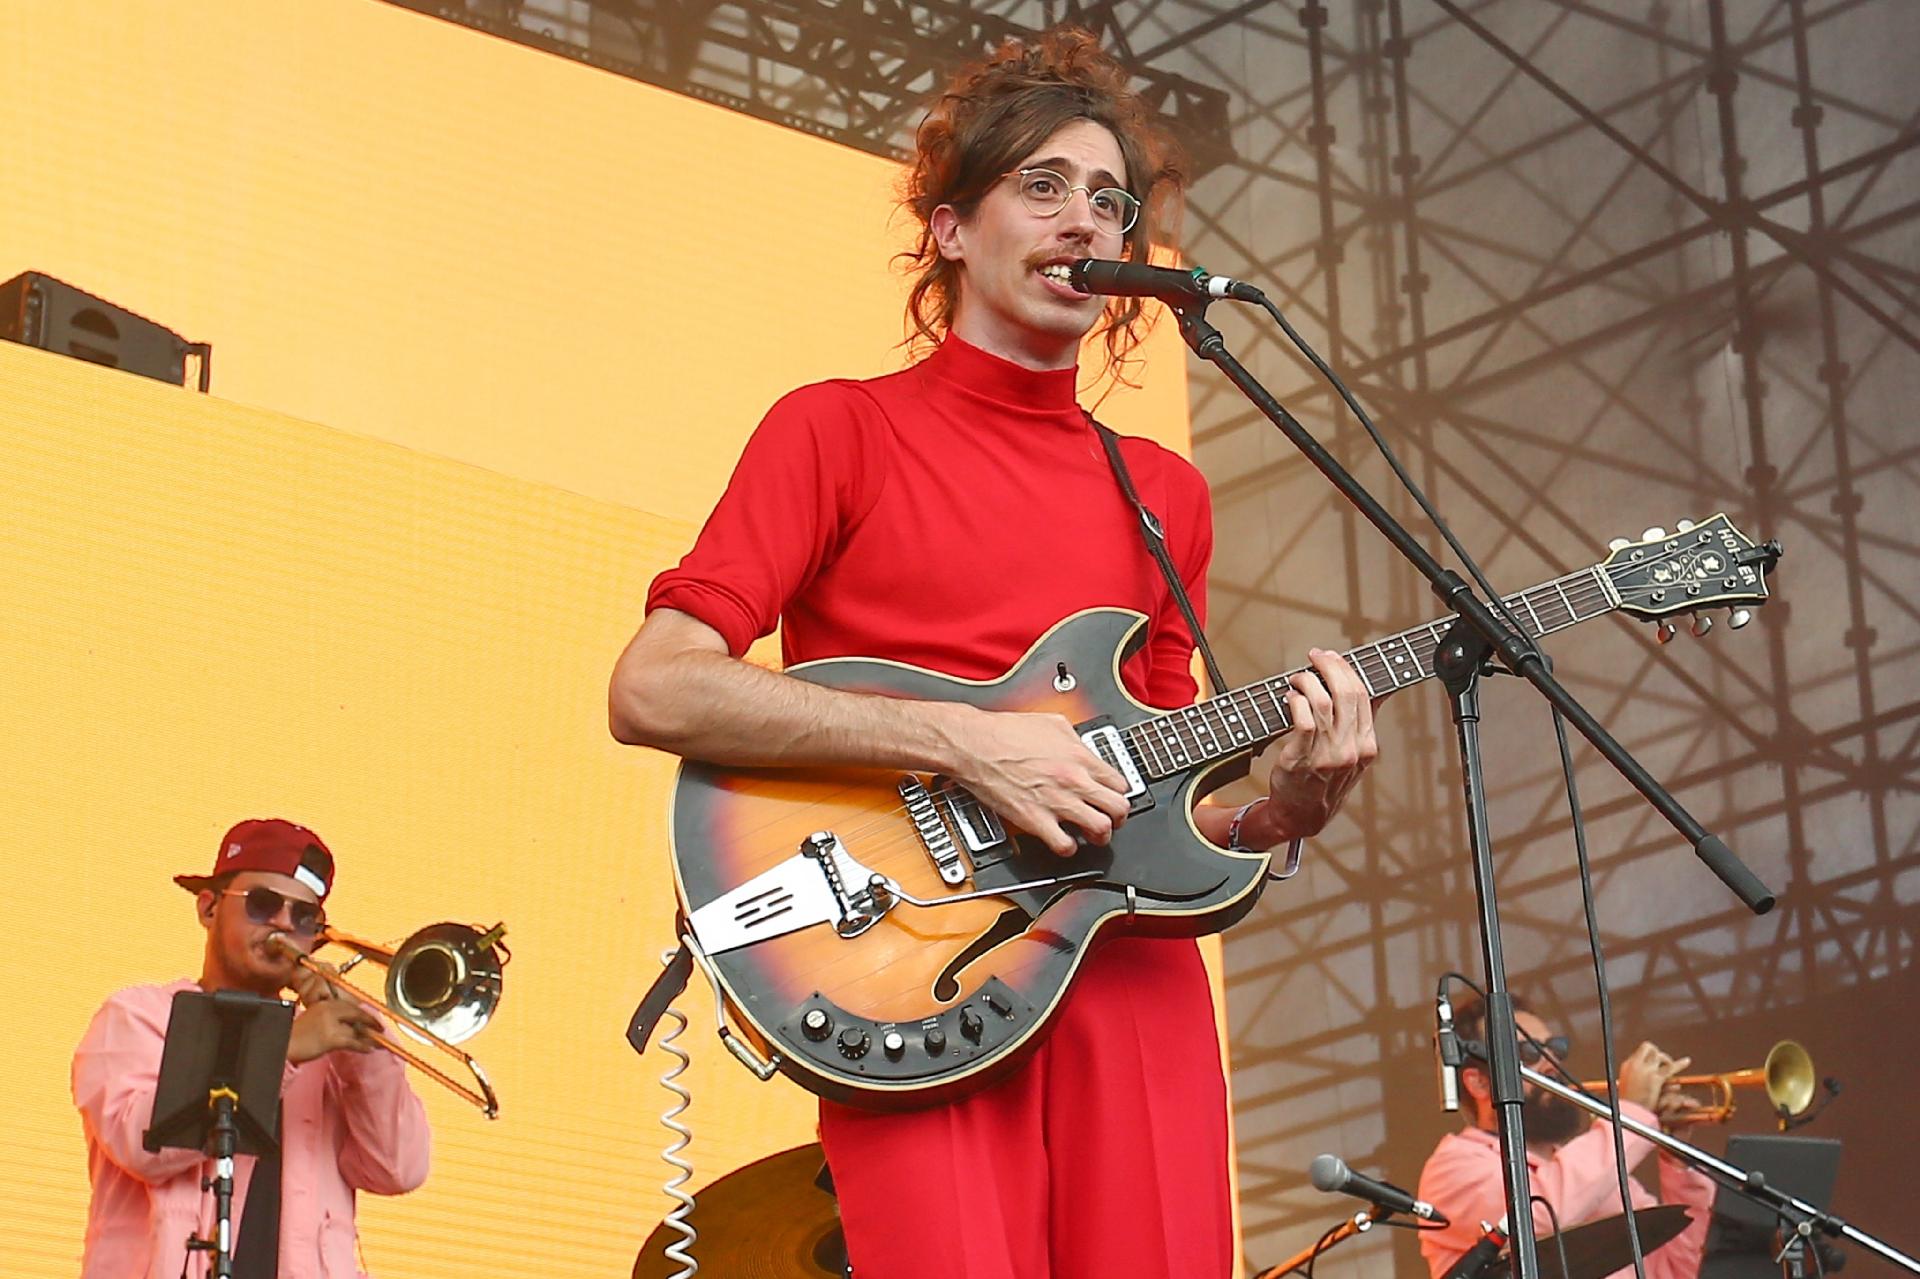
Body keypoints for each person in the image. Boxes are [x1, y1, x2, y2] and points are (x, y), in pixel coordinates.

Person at [608, 28, 1379, 1279]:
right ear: (952, 228)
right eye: (1043, 185)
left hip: (1126, 992)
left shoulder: (1164, 494)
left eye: (1111, 202)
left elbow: (1169, 812)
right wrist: (966, 744)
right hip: (924, 964)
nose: (1086, 219)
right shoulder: (837, 431)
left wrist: (1284, 810)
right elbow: (655, 684)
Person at [72, 819, 431, 1278]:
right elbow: (142, 1144)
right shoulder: (137, 1016)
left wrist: (368, 1050)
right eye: (263, 904)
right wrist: (284, 1049)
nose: (284, 923)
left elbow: (397, 1170)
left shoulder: (329, 1046)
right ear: (208, 908)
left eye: (304, 917)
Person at [1416, 993, 1717, 1279]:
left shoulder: (1594, 1171)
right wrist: (1631, 1114)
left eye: (1555, 1048)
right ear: (1480, 1084)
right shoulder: (1451, 1169)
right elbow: (1537, 1215)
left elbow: (1686, 1269)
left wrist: (1678, 1161)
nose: (1551, 1064)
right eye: (1530, 1052)